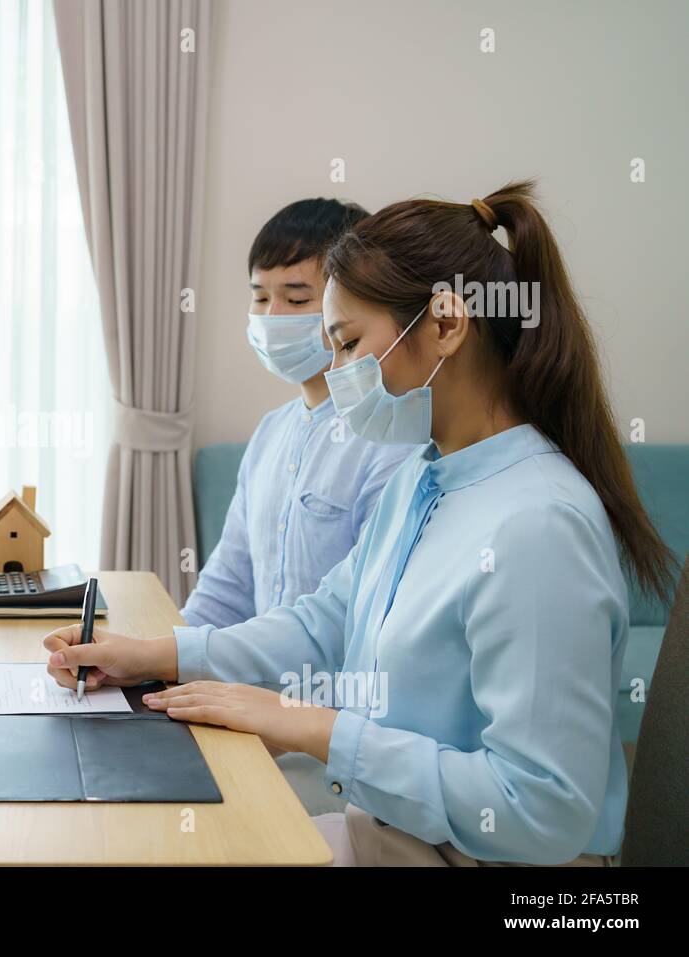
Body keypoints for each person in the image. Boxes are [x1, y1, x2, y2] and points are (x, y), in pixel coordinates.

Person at [45, 182, 674, 866]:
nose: (336, 372)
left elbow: (540, 811)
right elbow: (325, 621)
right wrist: (156, 653)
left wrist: (317, 727)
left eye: (346, 344)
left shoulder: (539, 524)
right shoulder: (421, 477)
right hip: (398, 837)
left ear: (445, 324)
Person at [183, 198, 414, 814]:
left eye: (295, 296)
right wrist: (156, 661)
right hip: (244, 714)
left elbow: (358, 627)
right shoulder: (270, 434)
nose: (271, 316)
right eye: (259, 298)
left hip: (329, 747)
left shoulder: (392, 442)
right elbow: (227, 587)